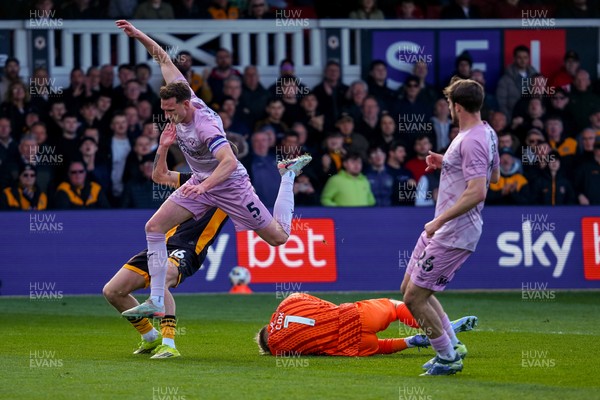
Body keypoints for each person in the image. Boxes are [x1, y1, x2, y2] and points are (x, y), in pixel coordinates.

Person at [116, 20, 312, 318]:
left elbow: (230, 162)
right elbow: (164, 59)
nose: (167, 115)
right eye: (164, 110)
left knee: (279, 238)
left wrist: (205, 187)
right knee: (153, 227)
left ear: (186, 104)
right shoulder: (182, 99)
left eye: (171, 110)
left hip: (230, 186)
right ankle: (157, 299)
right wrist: (137, 34)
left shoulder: (205, 125)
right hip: (201, 182)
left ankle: (287, 175)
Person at [401, 77, 499, 375]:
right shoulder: (485, 133)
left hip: (453, 230)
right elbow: (492, 176)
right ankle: (452, 345)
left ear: (456, 106)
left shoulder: (473, 140)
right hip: (443, 228)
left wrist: (439, 220)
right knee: (410, 289)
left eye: (449, 104)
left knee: (414, 298)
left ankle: (447, 357)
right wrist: (447, 162)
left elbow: (479, 189)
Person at [255, 293, 478, 357]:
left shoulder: (277, 348)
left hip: (349, 346)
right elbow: (325, 305)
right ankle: (438, 327)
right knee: (396, 306)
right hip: (353, 315)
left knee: (380, 346)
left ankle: (411, 342)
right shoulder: (289, 301)